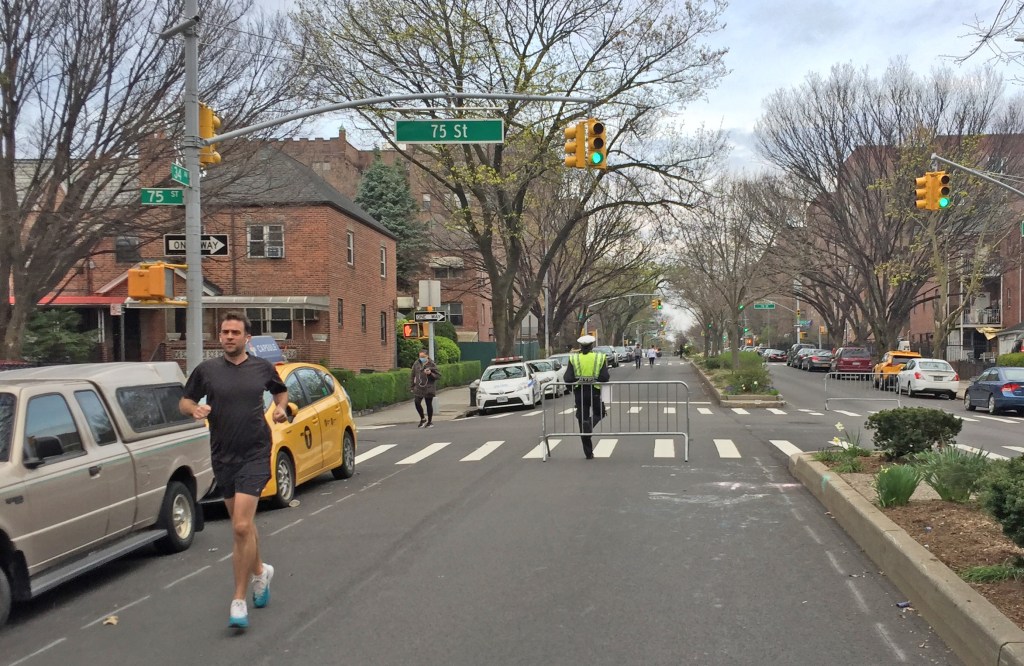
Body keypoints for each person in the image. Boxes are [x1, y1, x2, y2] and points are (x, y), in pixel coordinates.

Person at [179, 312, 288, 630]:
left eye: (235, 332)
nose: (228, 336)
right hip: (223, 455)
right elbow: (184, 401)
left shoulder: (261, 368)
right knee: (243, 526)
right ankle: (261, 572)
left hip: (255, 452)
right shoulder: (207, 371)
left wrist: (280, 409)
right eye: (224, 332)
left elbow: (280, 391)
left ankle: (239, 599)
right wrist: (194, 409)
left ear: (246, 338)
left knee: (240, 526)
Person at [563, 334, 610, 459]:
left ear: (581, 346)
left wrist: (573, 388)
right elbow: (605, 377)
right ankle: (590, 423)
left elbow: (567, 378)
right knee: (599, 413)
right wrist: (594, 379)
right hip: (595, 391)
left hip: (580, 393)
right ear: (592, 346)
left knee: (581, 421)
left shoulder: (574, 359)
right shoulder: (600, 357)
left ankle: (588, 453)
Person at [411, 349, 440, 427]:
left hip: (428, 387)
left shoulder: (432, 364)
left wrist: (430, 374)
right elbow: (412, 375)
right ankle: (423, 418)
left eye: (423, 356)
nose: (421, 358)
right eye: (420, 356)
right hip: (419, 387)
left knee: (428, 404)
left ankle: (430, 421)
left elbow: (438, 376)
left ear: (427, 356)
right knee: (417, 402)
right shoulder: (416, 364)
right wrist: (412, 386)